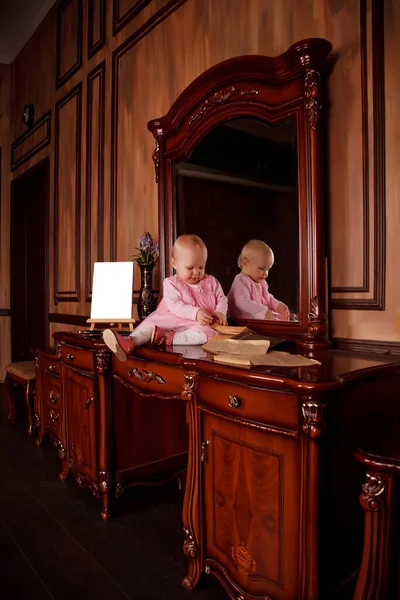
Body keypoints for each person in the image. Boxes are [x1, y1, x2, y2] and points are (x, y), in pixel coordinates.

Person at [102, 234, 228, 361]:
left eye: (201, 267)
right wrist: (195, 312)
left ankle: (168, 338)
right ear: (174, 263)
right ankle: (130, 341)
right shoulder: (171, 283)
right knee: (150, 327)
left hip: (199, 325)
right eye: (190, 268)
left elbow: (222, 298)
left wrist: (220, 312)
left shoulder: (211, 282)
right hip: (172, 319)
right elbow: (175, 305)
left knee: (208, 335)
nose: (196, 272)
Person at [227, 239, 290, 321]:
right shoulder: (241, 280)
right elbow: (241, 302)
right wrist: (263, 311)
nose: (266, 273)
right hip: (243, 322)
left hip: (257, 320)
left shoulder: (261, 283)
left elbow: (267, 298)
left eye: (268, 269)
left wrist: (277, 305)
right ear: (246, 263)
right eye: (261, 268)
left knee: (282, 320)